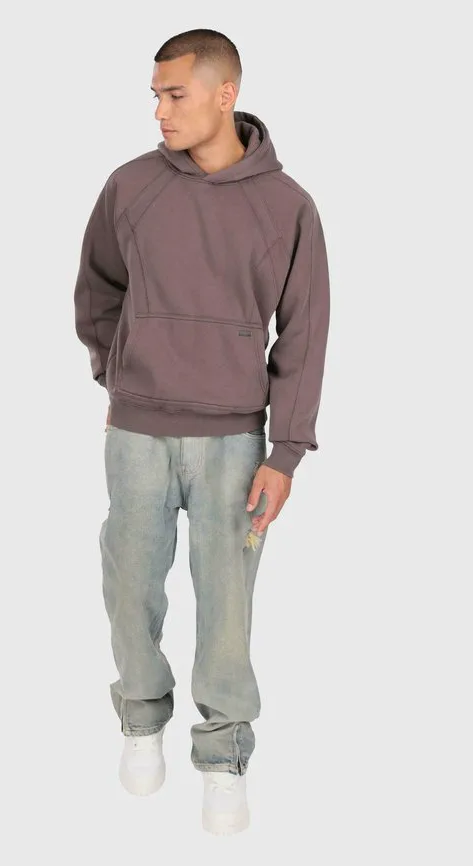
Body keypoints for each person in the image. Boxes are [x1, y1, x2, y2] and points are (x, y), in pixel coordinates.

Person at [73, 28, 330, 835]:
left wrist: (286, 452)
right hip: (137, 431)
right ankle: (140, 716)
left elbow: (306, 333)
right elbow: (97, 290)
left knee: (227, 604)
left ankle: (223, 755)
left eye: (175, 94)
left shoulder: (287, 205)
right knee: (128, 586)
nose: (160, 110)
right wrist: (117, 374)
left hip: (234, 442)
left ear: (226, 94)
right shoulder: (131, 186)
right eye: (155, 94)